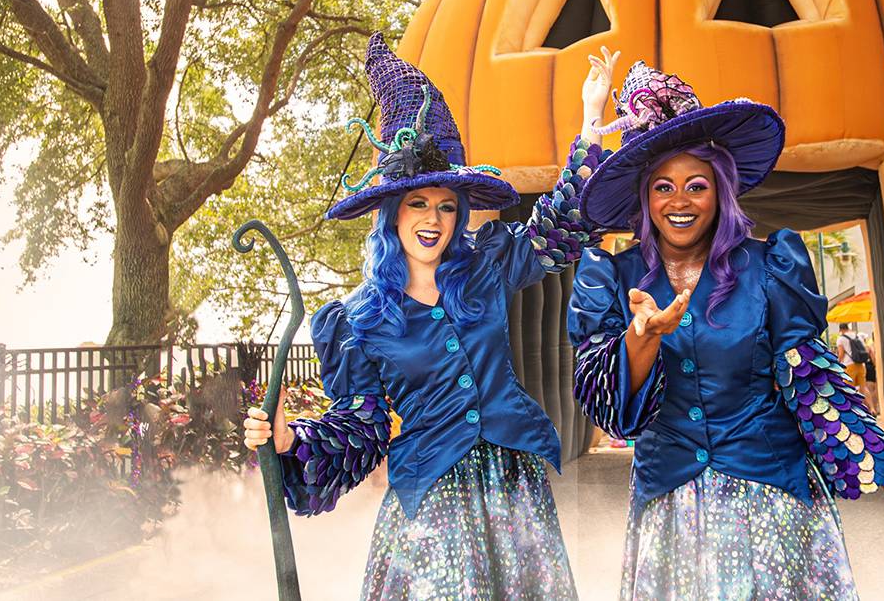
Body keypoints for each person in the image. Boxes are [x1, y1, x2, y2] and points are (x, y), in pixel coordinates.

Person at [568, 61, 884, 598]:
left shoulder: (771, 267)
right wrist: (642, 338)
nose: (680, 201)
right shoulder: (610, 280)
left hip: (771, 505)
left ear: (720, 192)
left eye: (696, 185)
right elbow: (610, 413)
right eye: (663, 187)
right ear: (645, 199)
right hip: (670, 514)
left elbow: (812, 383)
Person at [243, 34, 620, 598]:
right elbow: (362, 423)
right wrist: (288, 440)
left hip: (513, 490)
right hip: (432, 498)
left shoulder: (487, 266)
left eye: (447, 206)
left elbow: (554, 231)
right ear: (392, 214)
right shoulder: (358, 320)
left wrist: (590, 124)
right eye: (418, 203)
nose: (434, 218)